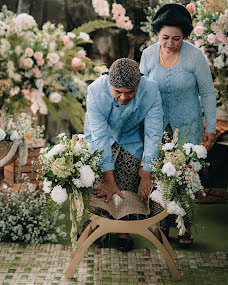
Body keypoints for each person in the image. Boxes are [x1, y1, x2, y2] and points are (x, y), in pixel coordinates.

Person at [139, 3, 217, 247]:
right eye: (165, 38)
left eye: (177, 38)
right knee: (159, 171)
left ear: (184, 36)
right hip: (157, 124)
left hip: (188, 124)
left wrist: (211, 127)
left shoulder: (195, 56)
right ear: (157, 34)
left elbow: (207, 93)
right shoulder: (148, 55)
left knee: (185, 175)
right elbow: (139, 91)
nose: (170, 43)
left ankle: (185, 226)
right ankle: (160, 222)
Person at [84, 58, 163, 252]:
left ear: (139, 84)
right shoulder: (95, 90)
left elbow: (154, 134)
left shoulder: (151, 90)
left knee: (127, 181)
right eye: (118, 92)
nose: (123, 97)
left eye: (130, 93)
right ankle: (94, 226)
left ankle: (123, 229)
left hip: (131, 138)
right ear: (109, 82)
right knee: (99, 184)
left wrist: (147, 174)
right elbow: (100, 138)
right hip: (100, 137)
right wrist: (108, 180)